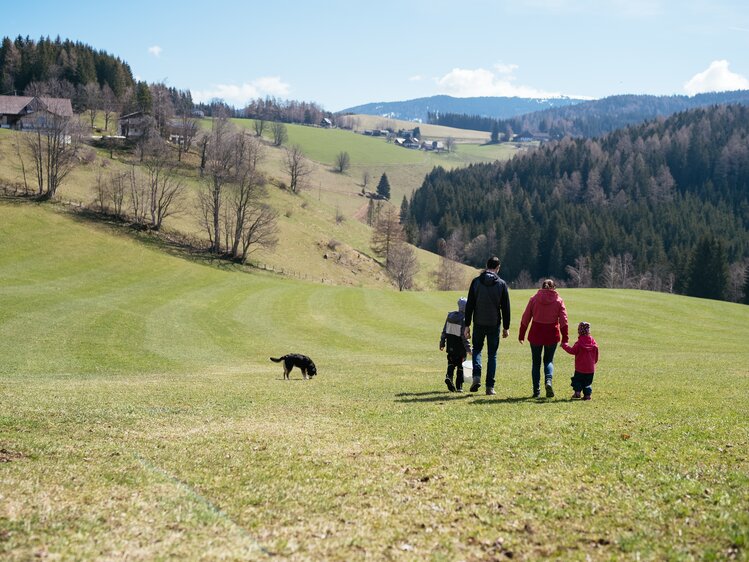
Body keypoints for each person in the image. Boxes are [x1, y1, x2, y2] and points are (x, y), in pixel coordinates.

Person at [463, 256, 511, 396]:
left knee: (477, 349)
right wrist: (506, 327)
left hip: (478, 322)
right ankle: (490, 387)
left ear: (486, 265)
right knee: (492, 355)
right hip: (494, 323)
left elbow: (470, 305)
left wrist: (467, 325)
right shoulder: (501, 284)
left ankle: (476, 375)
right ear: (498, 268)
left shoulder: (476, 282)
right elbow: (506, 308)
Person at [518, 279, 569, 398]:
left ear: (542, 287)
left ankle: (536, 391)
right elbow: (564, 321)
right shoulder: (559, 301)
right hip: (552, 334)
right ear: (554, 288)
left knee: (536, 363)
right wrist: (565, 338)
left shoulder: (534, 299)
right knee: (548, 361)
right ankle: (548, 381)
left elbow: (525, 317)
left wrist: (521, 334)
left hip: (536, 334)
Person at [439, 297, 472, 392]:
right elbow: (464, 337)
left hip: (450, 346)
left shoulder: (450, 316)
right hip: (460, 348)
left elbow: (444, 331)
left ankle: (449, 377)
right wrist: (468, 349)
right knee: (461, 367)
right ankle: (459, 387)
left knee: (451, 363)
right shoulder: (464, 319)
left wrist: (442, 342)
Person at [561, 321, 599, 400]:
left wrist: (564, 345)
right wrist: (593, 362)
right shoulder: (594, 343)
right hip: (590, 369)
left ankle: (577, 393)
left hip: (580, 368)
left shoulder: (579, 343)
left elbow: (572, 351)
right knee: (587, 382)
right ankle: (587, 395)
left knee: (577, 380)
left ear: (579, 331)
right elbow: (596, 355)